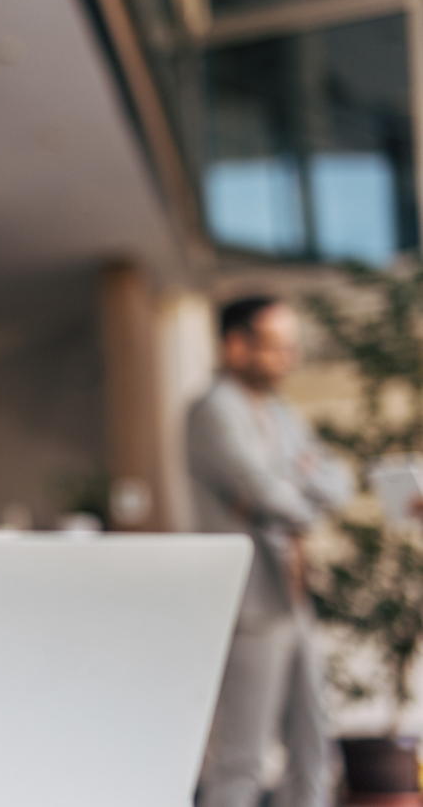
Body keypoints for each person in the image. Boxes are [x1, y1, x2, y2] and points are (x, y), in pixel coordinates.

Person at [189, 296, 353, 807]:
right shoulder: (213, 410)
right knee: (244, 758)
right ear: (235, 345)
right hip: (254, 606)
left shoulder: (280, 413)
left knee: (314, 749)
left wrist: (293, 492)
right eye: (276, 346)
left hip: (295, 597)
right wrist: (295, 487)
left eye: (291, 345)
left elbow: (337, 480)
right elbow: (267, 492)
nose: (290, 357)